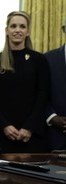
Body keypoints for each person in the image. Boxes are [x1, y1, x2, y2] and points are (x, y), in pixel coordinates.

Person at [0, 11, 50, 153]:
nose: (17, 30)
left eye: (22, 26)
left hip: (32, 135)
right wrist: (4, 126)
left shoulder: (39, 60)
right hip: (3, 135)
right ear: (7, 30)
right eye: (13, 26)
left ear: (28, 31)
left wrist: (29, 127)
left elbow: (43, 95)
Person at [44, 20, 66, 151]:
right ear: (64, 29)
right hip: (54, 138)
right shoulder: (48, 59)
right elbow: (39, 94)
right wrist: (52, 117)